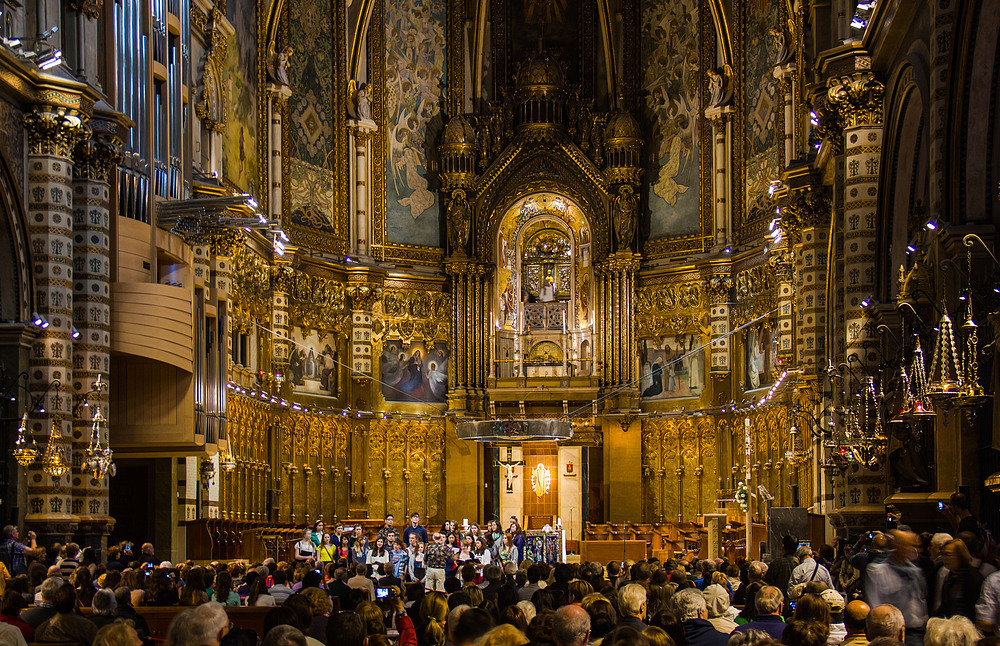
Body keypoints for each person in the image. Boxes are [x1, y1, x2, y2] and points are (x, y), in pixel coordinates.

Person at [866, 531, 928, 646]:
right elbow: (875, 605)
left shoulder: (915, 571)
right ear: (899, 546)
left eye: (916, 546)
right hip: (891, 633)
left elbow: (920, 600)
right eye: (910, 545)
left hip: (916, 633)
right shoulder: (879, 571)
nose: (915, 550)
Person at [935, 539, 984, 621]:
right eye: (943, 554)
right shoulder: (950, 576)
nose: (945, 558)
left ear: (960, 555)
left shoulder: (973, 577)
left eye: (948, 554)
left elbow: (974, 609)